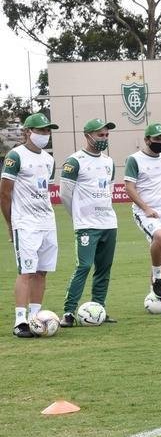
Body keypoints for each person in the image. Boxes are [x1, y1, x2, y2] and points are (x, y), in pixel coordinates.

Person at [2, 113, 59, 338]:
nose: (45, 134)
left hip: (47, 221)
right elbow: (4, 193)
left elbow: (45, 192)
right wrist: (10, 223)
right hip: (25, 223)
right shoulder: (15, 156)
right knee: (26, 270)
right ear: (27, 132)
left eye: (47, 131)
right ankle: (20, 321)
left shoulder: (49, 159)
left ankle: (36, 318)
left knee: (42, 271)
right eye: (41, 130)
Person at [59, 119, 119, 326]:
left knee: (104, 268)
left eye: (106, 135)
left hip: (109, 223)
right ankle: (68, 312)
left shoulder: (109, 162)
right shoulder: (74, 161)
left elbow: (107, 189)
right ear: (87, 136)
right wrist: (77, 216)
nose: (104, 139)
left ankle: (98, 308)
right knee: (83, 266)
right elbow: (65, 194)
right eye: (100, 135)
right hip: (86, 225)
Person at [124, 122, 161, 301]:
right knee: (160, 236)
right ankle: (157, 278)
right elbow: (129, 188)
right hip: (145, 212)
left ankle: (155, 296)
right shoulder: (135, 159)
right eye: (157, 139)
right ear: (147, 140)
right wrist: (146, 208)